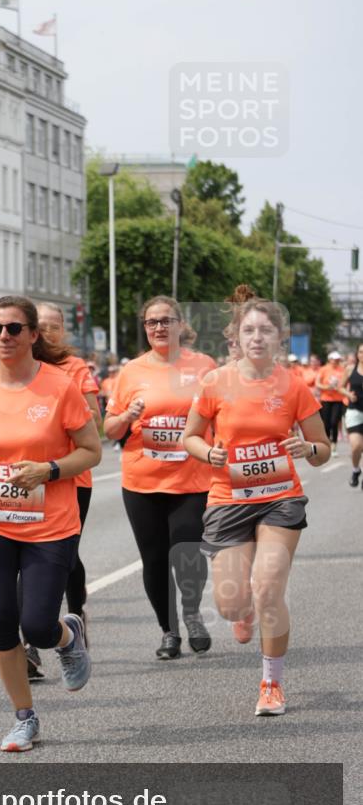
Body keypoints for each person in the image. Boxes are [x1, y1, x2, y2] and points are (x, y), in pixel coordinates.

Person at [0, 295, 101, 752]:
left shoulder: (60, 387)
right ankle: (24, 717)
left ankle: (66, 635)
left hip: (50, 525)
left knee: (36, 626)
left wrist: (49, 470)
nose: (3, 337)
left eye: (14, 328)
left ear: (34, 334)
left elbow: (91, 451)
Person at [183, 285, 330, 717]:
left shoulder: (294, 385)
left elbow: (323, 450)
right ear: (236, 336)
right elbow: (189, 437)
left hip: (280, 498)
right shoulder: (215, 383)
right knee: (231, 603)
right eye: (249, 330)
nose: (258, 338)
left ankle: (271, 682)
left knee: (268, 590)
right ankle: (242, 610)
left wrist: (309, 451)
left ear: (279, 338)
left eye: (266, 330)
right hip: (228, 498)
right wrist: (208, 452)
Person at [104, 295, 215, 661]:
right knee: (153, 560)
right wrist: (127, 416)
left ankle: (193, 612)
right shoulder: (131, 372)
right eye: (152, 322)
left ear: (181, 325)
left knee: (187, 551)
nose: (159, 328)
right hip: (142, 481)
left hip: (192, 478)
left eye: (166, 320)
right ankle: (169, 631)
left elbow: (223, 415)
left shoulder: (204, 367)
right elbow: (110, 428)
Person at [36, 303, 102, 643]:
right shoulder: (19, 367)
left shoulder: (74, 368)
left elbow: (95, 416)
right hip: (28, 477)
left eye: (53, 326)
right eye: (40, 325)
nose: (47, 332)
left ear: (63, 331)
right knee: (28, 553)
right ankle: (30, 640)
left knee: (65, 552)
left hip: (72, 476)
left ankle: (75, 614)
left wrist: (59, 412)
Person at [316, 351, 347, 454]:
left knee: (334, 422)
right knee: (326, 423)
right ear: (329, 359)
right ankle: (327, 442)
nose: (335, 361)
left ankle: (334, 443)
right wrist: (327, 387)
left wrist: (340, 388)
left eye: (337, 359)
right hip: (326, 399)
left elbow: (345, 383)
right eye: (333, 359)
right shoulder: (323, 369)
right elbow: (317, 383)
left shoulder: (342, 370)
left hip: (338, 400)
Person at [344, 342, 363, 488]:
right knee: (356, 446)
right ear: (357, 354)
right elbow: (339, 386)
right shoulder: (351, 369)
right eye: (361, 352)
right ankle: (356, 470)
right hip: (354, 411)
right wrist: (348, 394)